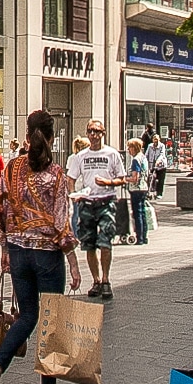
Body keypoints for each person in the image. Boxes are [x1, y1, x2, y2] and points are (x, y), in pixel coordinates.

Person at [0, 108, 82, 384]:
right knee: (51, 320)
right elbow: (61, 221)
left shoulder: (12, 168)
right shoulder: (55, 175)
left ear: (26, 136)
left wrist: (4, 248)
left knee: (27, 315)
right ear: (51, 138)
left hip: (18, 253)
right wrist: (73, 262)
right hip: (47, 256)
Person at [66, 118, 126, 299]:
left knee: (105, 242)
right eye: (91, 131)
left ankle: (106, 280)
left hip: (106, 201)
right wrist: (74, 195)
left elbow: (122, 178)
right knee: (89, 244)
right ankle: (96, 280)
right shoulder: (80, 156)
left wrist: (108, 182)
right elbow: (71, 178)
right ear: (87, 133)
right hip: (87, 203)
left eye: (97, 132)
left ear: (103, 133)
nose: (94, 135)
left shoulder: (112, 154)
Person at [126, 138, 153, 246]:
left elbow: (134, 177)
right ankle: (144, 236)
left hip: (136, 189)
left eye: (129, 147)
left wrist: (124, 179)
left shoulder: (136, 160)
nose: (128, 150)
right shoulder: (143, 158)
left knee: (137, 213)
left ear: (134, 148)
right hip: (144, 188)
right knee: (142, 213)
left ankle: (140, 237)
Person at [145, 129, 169, 198]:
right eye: (154, 139)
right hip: (151, 164)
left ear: (159, 140)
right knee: (150, 179)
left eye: (157, 140)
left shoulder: (162, 146)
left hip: (161, 165)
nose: (156, 141)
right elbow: (147, 154)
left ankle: (159, 193)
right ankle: (149, 192)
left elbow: (162, 154)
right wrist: (145, 161)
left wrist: (158, 161)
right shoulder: (150, 146)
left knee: (160, 180)